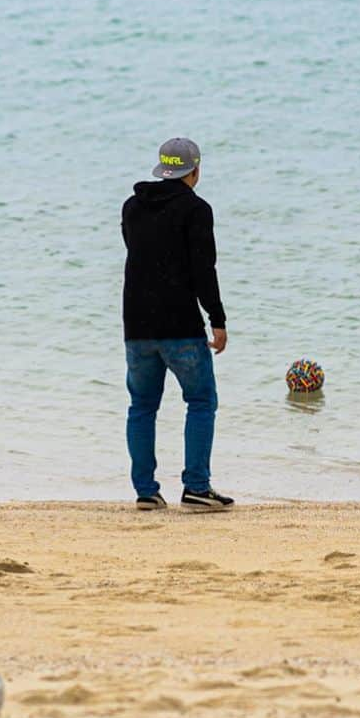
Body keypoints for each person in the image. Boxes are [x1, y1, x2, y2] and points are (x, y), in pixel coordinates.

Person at [121, 137, 234, 510]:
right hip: (181, 325)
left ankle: (146, 492)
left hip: (136, 327)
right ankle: (197, 488)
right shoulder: (196, 210)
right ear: (195, 171)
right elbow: (204, 269)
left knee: (142, 406)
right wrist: (217, 319)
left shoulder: (132, 208)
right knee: (202, 400)